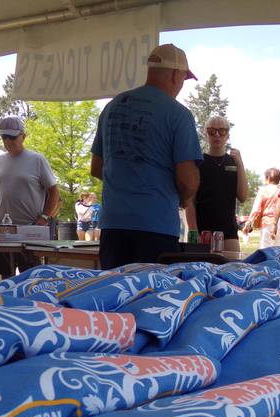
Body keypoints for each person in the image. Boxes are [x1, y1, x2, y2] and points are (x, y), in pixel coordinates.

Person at [90, 43, 201, 268]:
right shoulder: (179, 115)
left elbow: (96, 168)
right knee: (151, 299)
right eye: (183, 78)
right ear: (174, 74)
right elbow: (187, 180)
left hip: (113, 227)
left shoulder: (113, 106)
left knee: (114, 297)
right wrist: (185, 198)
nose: (181, 84)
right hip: (156, 228)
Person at [0, 115, 60, 277]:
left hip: (29, 230)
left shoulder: (37, 160)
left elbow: (54, 191)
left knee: (30, 278)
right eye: (4, 136)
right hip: (3, 230)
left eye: (12, 137)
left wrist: (44, 217)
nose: (8, 141)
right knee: (5, 278)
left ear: (23, 136)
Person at [195, 115, 248, 252]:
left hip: (228, 230)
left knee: (231, 270)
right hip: (203, 230)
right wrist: (193, 229)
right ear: (205, 134)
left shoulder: (234, 162)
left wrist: (240, 164)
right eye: (212, 131)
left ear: (227, 135)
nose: (217, 135)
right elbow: (190, 200)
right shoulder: (199, 162)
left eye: (222, 131)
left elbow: (243, 196)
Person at [244, 168, 280, 249]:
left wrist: (249, 222)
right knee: (279, 250)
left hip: (267, 223)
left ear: (268, 178)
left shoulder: (263, 190)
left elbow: (256, 209)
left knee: (265, 249)